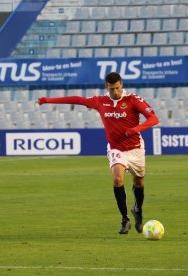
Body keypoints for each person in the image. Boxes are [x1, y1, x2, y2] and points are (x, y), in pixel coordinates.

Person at [38, 72, 159, 234]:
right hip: (116, 149)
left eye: (117, 88)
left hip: (136, 148)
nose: (115, 92)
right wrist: (48, 100)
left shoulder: (133, 100)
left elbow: (153, 119)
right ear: (106, 87)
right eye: (111, 89)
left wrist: (136, 129)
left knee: (139, 183)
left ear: (121, 84)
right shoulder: (101, 101)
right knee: (117, 179)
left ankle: (138, 210)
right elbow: (78, 100)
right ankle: (125, 219)